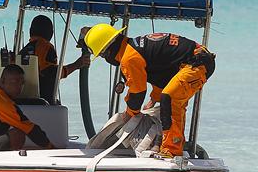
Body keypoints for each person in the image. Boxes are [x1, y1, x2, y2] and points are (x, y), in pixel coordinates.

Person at [83, 23, 215, 158]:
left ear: (108, 51)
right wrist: (153, 99)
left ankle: (172, 150)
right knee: (170, 100)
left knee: (169, 99)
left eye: (103, 56)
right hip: (196, 60)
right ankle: (175, 144)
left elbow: (137, 92)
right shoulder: (133, 48)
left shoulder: (129, 58)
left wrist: (130, 114)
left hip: (197, 62)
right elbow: (162, 73)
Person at [0, 64, 54, 151]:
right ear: (2, 81)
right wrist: (51, 148)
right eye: (15, 82)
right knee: (18, 134)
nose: (19, 87)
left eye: (22, 83)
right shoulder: (3, 103)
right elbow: (31, 129)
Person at [20, 15, 90, 104]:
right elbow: (52, 73)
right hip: (42, 102)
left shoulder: (23, 50)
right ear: (51, 33)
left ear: (30, 31)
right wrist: (77, 64)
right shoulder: (45, 47)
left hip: (25, 100)